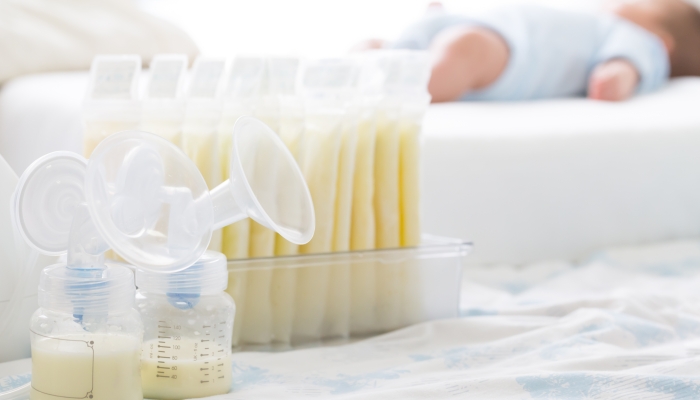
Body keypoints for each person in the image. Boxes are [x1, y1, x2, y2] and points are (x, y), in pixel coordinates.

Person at [358, 0, 700, 102]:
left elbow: (619, 71)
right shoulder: (593, 22)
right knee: (378, 46)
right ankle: (362, 70)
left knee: (463, 51)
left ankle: (386, 90)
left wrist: (619, 77)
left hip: (509, 54)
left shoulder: (641, 41)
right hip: (471, 27)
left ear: (663, 39)